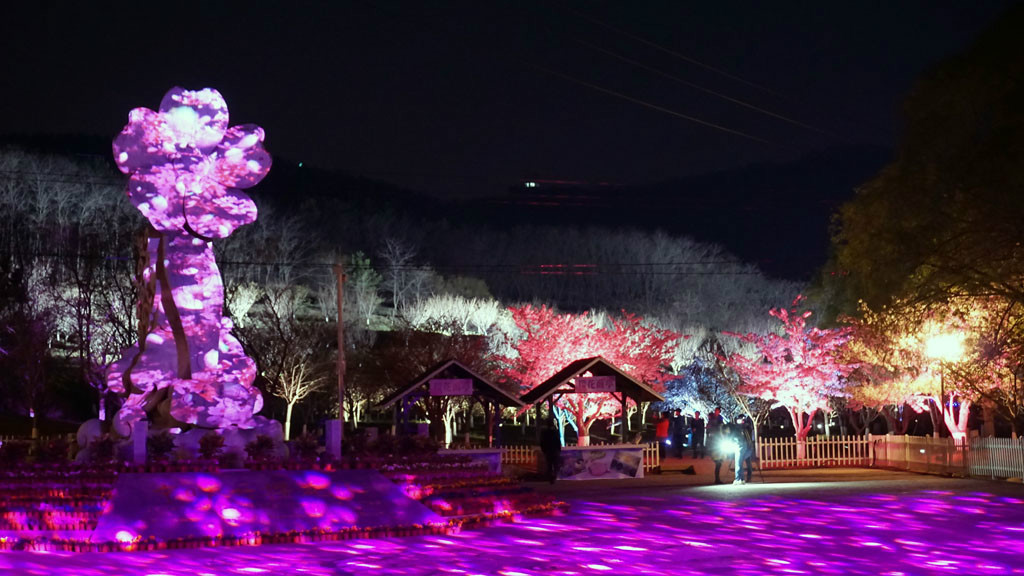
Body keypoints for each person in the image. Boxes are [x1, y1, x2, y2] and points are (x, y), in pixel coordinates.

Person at [733, 414, 755, 484]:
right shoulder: (738, 428)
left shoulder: (746, 428)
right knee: (740, 462)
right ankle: (741, 478)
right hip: (745, 446)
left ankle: (739, 478)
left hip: (743, 446)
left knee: (739, 462)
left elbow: (748, 436)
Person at [540, 417, 562, 483]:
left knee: (549, 464)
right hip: (554, 450)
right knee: (555, 464)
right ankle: (554, 476)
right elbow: (558, 441)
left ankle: (550, 476)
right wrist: (559, 449)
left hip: (548, 450)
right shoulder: (555, 432)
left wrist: (544, 449)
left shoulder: (545, 433)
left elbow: (542, 442)